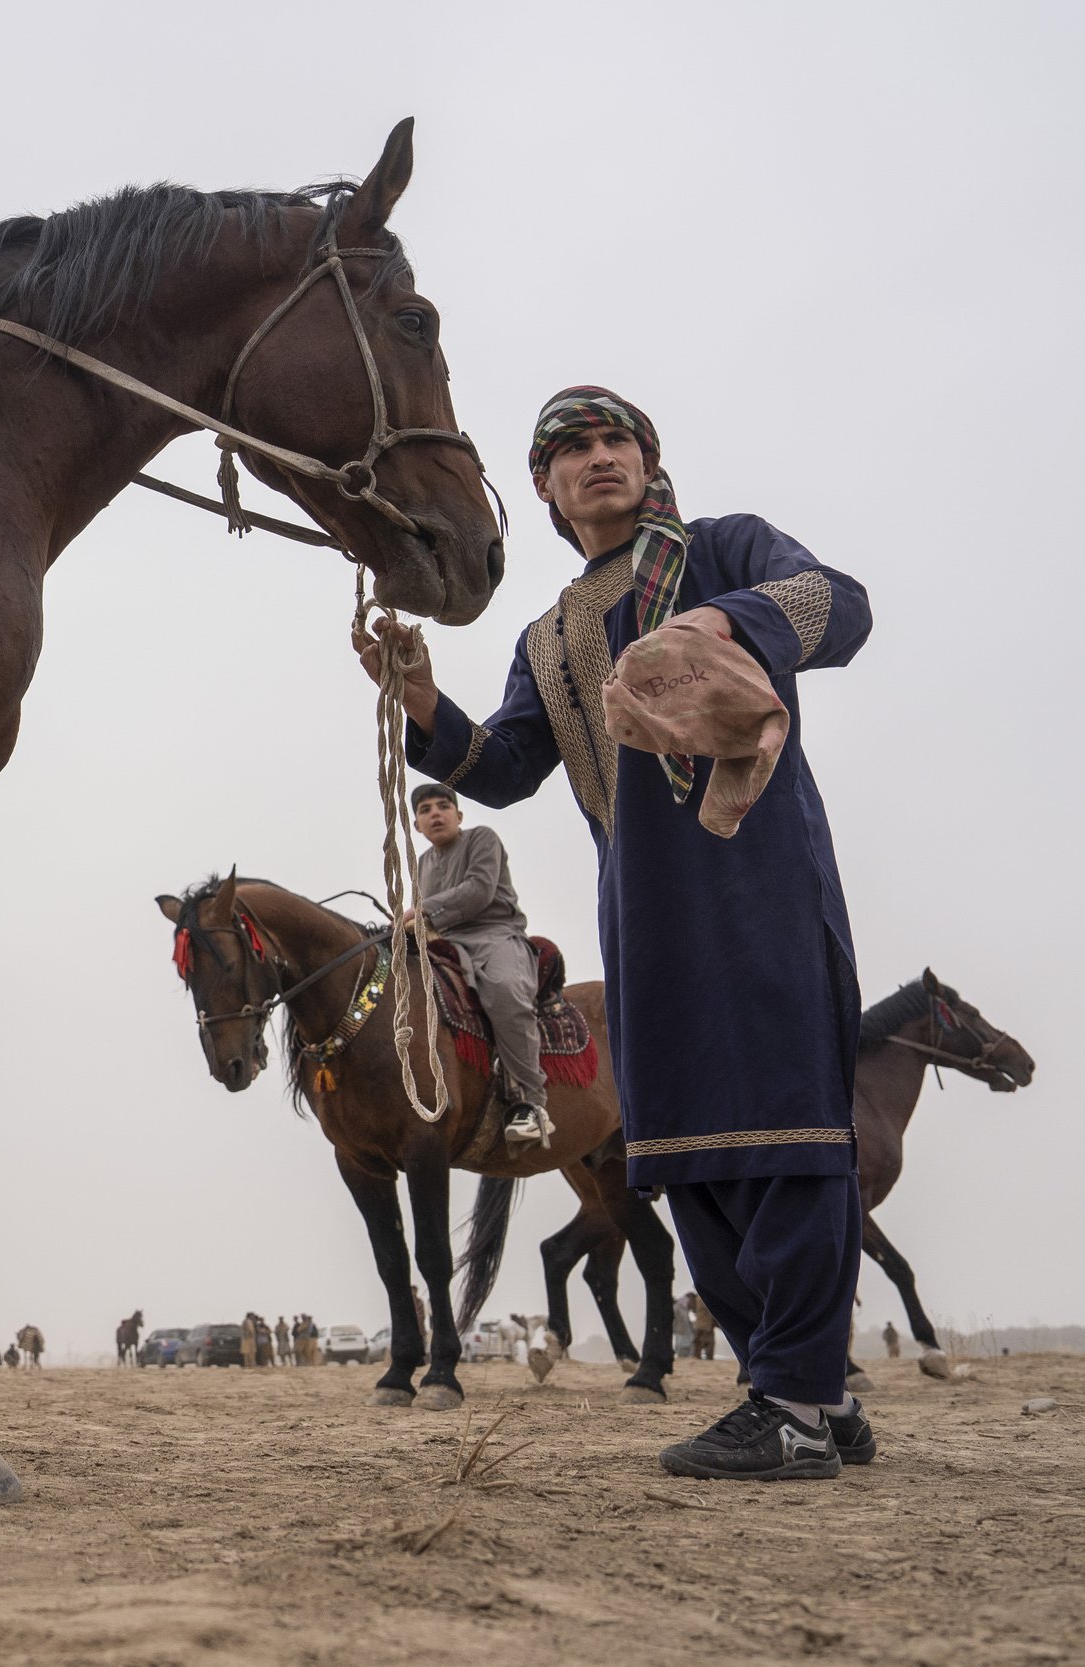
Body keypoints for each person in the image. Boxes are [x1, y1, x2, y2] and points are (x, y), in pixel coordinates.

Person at [361, 387, 872, 1482]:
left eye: (616, 441)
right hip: (635, 904)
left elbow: (841, 605)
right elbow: (499, 765)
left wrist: (729, 620)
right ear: (542, 488)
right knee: (677, 1142)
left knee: (782, 1120)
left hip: (759, 874)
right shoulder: (549, 636)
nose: (599, 459)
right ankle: (811, 1390)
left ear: (648, 460)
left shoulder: (724, 550)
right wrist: (418, 696)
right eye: (570, 449)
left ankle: (790, 1397)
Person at [410, 784, 549, 1144]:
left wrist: (423, 909)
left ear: (459, 816)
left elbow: (479, 890)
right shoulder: (421, 864)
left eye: (443, 806)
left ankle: (531, 1103)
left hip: (495, 935)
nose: (436, 813)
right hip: (445, 941)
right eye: (426, 810)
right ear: (416, 825)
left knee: (504, 990)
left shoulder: (482, 839)